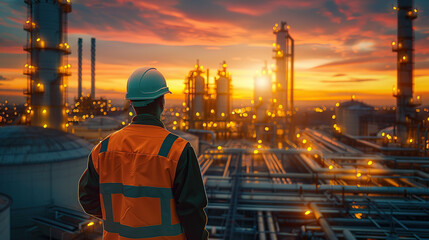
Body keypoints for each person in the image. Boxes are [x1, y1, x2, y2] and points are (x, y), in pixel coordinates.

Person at [78, 67, 209, 240]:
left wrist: (122, 214)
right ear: (162, 101)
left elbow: (87, 198)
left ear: (131, 103)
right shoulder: (178, 151)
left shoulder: (103, 149)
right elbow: (192, 211)